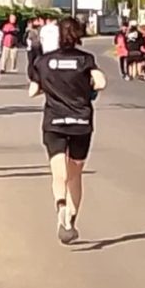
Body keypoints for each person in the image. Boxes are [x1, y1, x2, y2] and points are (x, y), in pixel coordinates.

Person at [28, 17, 107, 244]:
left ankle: (60, 204)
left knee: (58, 171)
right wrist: (85, 87)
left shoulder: (43, 62)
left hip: (54, 121)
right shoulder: (85, 59)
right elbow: (100, 82)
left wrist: (50, 88)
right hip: (81, 122)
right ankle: (71, 218)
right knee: (75, 173)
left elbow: (33, 91)